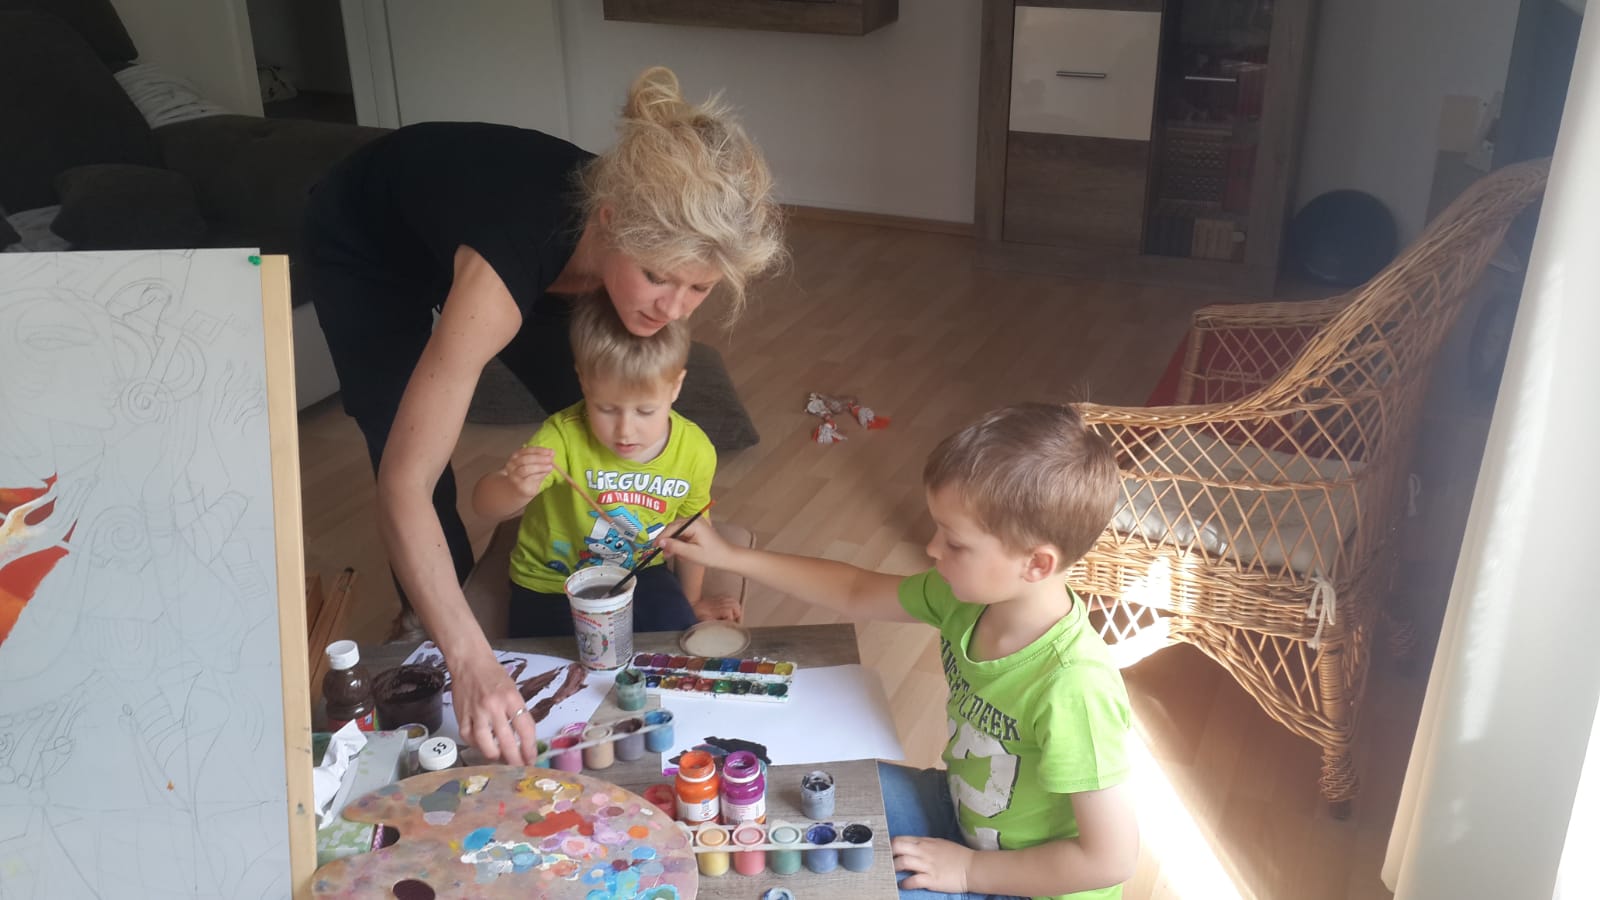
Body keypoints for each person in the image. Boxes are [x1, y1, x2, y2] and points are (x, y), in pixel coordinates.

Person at [300, 66, 783, 764]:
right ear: (609, 222)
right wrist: (471, 660)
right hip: (367, 239)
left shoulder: (639, 222)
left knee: (595, 416)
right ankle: (436, 624)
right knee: (404, 440)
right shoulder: (509, 261)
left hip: (513, 238)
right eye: (656, 277)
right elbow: (405, 486)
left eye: (697, 288)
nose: (671, 309)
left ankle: (600, 569)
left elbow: (620, 428)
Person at [661, 404, 1140, 900]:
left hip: (1024, 883)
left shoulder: (1075, 686)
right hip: (959, 815)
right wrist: (729, 556)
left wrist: (970, 872)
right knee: (803, 788)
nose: (932, 548)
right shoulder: (965, 598)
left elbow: (1110, 859)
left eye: (955, 543)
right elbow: (854, 589)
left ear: (1036, 564)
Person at [470, 297, 738, 637]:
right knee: (553, 663)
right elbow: (482, 505)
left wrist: (691, 601)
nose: (625, 431)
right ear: (583, 382)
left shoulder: (695, 451)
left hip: (641, 573)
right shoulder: (562, 436)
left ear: (675, 386)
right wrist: (513, 488)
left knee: (677, 645)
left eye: (645, 411)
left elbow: (692, 530)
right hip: (551, 581)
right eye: (607, 409)